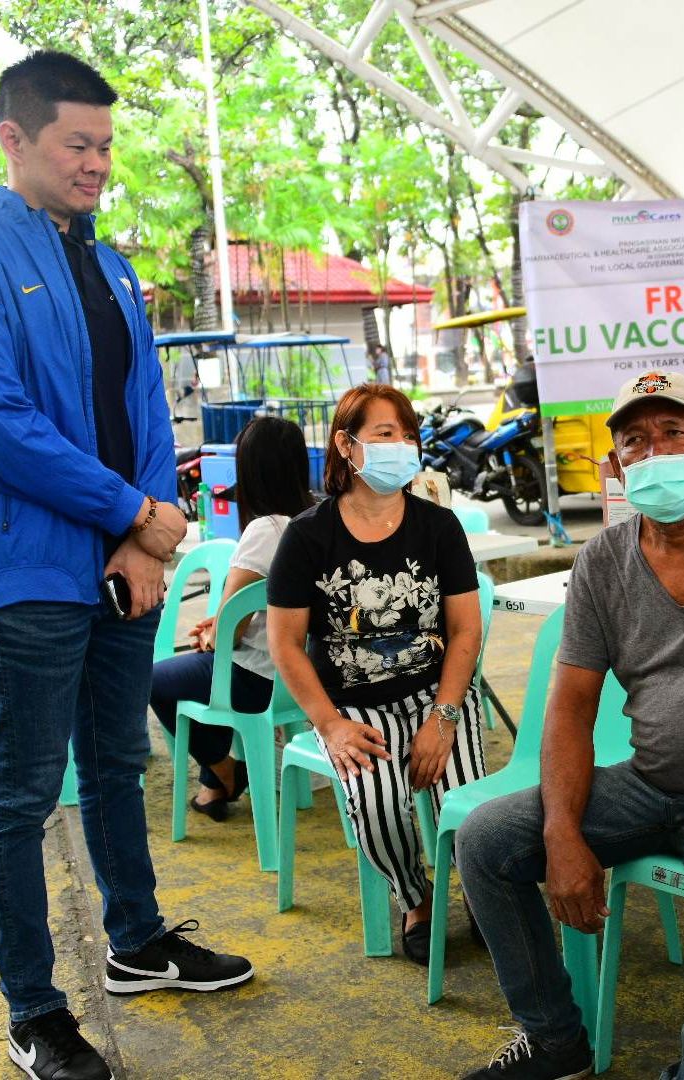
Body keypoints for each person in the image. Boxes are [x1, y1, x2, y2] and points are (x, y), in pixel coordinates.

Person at [0, 49, 250, 1080]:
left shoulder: (108, 264)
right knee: (21, 792)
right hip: (23, 568)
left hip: (121, 557)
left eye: (106, 145)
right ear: (14, 139)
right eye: (78, 144)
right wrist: (134, 513)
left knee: (119, 766)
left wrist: (149, 529)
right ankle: (33, 1012)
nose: (98, 163)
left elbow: (146, 401)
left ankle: (139, 943)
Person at [455, 370, 684, 1080]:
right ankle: (554, 1039)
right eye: (636, 441)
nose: (655, 452)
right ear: (616, 468)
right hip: (652, 783)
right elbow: (570, 706)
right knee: (486, 841)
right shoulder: (602, 562)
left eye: (673, 434)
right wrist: (562, 831)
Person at [265, 383, 488, 966]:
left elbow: (465, 630)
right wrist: (331, 726)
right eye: (385, 434)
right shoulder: (308, 535)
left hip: (434, 694)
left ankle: (489, 899)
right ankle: (415, 899)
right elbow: (285, 644)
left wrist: (443, 719)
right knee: (381, 803)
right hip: (351, 707)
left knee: (469, 808)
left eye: (408, 434)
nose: (401, 446)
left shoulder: (439, 527)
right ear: (346, 444)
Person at [148, 416, 315, 821]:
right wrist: (220, 628)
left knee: (153, 680)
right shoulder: (319, 518)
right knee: (205, 670)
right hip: (308, 677)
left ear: (251, 470)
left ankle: (224, 773)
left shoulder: (265, 530)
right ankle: (213, 785)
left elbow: (232, 630)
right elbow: (243, 612)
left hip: (260, 680)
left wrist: (215, 633)